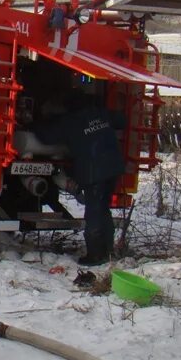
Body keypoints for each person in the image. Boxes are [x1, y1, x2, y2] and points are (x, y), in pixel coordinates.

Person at [36, 91, 126, 266]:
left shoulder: (70, 121)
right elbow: (122, 120)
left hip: (94, 171)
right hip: (113, 168)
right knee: (102, 208)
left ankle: (94, 255)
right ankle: (107, 250)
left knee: (93, 210)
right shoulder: (101, 114)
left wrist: (39, 121)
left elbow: (46, 137)